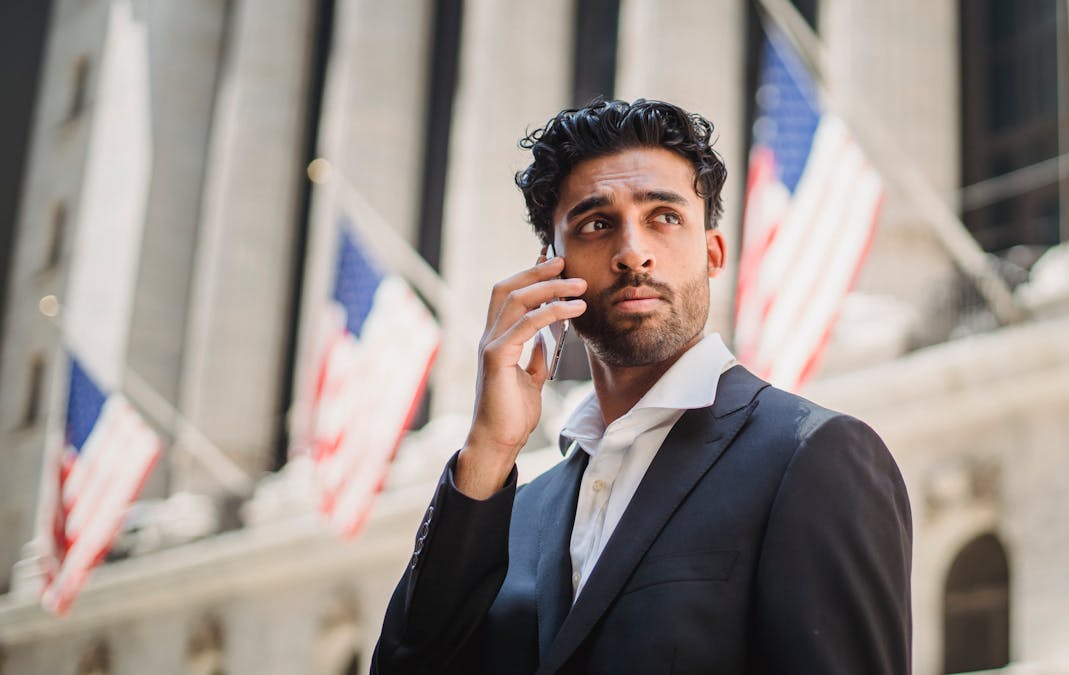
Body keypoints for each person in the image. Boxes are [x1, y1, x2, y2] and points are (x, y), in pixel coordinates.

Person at [370, 99, 912, 675]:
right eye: (596, 224)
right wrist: (487, 452)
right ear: (551, 266)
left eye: (664, 217)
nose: (633, 253)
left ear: (712, 253)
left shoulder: (813, 456)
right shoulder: (512, 510)